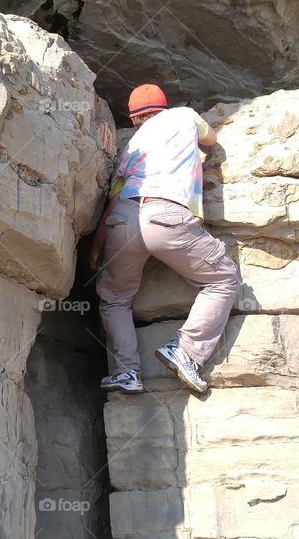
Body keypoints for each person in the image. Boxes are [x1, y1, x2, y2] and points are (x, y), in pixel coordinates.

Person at [89, 83, 239, 394]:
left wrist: (96, 249)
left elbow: (112, 205)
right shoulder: (183, 116)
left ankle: (126, 372)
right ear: (164, 106)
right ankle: (186, 351)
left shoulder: (130, 150)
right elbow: (211, 138)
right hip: (167, 215)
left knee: (114, 299)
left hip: (124, 219)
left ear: (133, 120)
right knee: (223, 279)